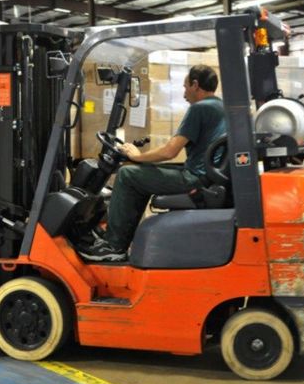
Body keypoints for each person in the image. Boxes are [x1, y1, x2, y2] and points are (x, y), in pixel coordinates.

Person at [79, 64, 227, 262]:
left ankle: (114, 246)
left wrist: (136, 156)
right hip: (205, 175)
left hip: (195, 179)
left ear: (195, 85)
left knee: (127, 174)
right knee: (140, 173)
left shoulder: (199, 109)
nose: (184, 94)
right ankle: (117, 239)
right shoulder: (221, 107)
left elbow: (169, 151)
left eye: (185, 87)